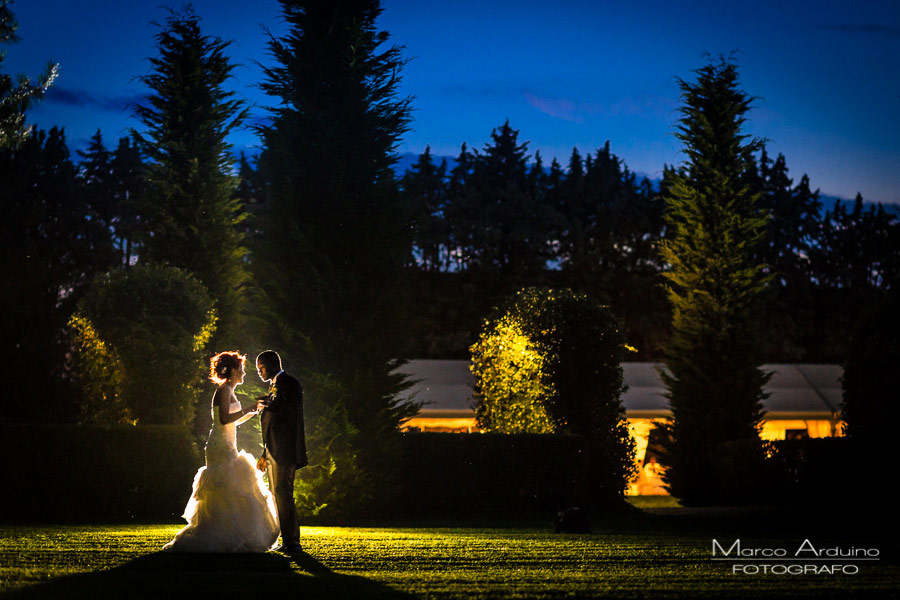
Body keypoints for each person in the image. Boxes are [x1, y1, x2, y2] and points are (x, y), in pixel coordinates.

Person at [163, 351, 279, 552]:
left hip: (226, 442)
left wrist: (254, 410)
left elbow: (234, 421)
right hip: (220, 447)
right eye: (241, 368)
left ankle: (230, 531)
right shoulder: (224, 390)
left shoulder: (229, 391)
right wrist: (249, 407)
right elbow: (225, 419)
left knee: (232, 488)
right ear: (233, 371)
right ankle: (222, 533)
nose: (243, 372)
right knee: (227, 485)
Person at [255, 350, 307, 553]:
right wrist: (265, 452)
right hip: (274, 451)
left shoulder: (289, 383)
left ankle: (292, 541)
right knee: (278, 494)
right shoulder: (274, 386)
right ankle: (287, 539)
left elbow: (289, 415)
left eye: (262, 368)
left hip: (285, 451)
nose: (259, 372)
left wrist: (269, 405)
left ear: (273, 365)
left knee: (283, 493)